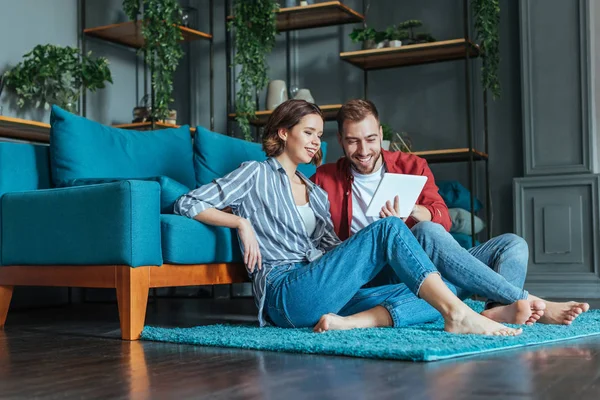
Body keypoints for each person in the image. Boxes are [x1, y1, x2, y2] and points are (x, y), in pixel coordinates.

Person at [174, 99, 544, 336]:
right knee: (390, 230)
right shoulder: (254, 173)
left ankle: (362, 322)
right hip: (286, 292)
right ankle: (463, 315)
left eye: (320, 135)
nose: (316, 142)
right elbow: (187, 203)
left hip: (328, 291)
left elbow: (332, 251)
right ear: (283, 132)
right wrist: (241, 223)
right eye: (309, 133)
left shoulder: (314, 190)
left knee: (442, 280)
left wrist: (376, 249)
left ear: (380, 136)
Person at [311, 98, 589, 326]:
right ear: (340, 140)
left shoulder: (412, 165)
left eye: (370, 139)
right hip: (374, 275)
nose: (363, 150)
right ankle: (524, 298)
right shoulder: (324, 178)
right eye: (353, 141)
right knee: (437, 256)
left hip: (423, 266)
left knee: (512, 245)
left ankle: (496, 310)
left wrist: (416, 211)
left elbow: (441, 217)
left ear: (381, 134)